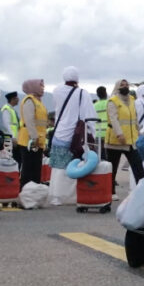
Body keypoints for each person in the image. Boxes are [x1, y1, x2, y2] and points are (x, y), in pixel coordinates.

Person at [48, 66, 97, 206]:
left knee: (58, 166)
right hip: (74, 135)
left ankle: (55, 196)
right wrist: (91, 132)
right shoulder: (82, 93)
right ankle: (69, 196)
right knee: (72, 165)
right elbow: (88, 114)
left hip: (59, 132)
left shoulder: (56, 91)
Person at [106, 79, 144, 199]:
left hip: (131, 140)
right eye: (122, 85)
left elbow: (134, 118)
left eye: (126, 84)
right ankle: (110, 192)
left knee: (138, 166)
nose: (125, 86)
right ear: (117, 87)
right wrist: (119, 134)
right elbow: (113, 119)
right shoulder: (113, 101)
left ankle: (141, 190)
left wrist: (140, 131)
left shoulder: (132, 100)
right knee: (113, 167)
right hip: (116, 141)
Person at [17, 79, 47, 189]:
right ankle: (25, 193)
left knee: (36, 169)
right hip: (29, 141)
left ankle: (34, 194)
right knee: (28, 169)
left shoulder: (38, 101)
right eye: (40, 86)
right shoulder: (29, 100)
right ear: (32, 87)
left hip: (38, 141)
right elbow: (29, 121)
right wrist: (34, 137)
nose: (43, 88)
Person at [1, 91, 21, 164]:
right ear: (12, 99)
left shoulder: (12, 109)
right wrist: (13, 137)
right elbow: (7, 124)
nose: (18, 100)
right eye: (16, 98)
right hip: (9, 139)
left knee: (16, 159)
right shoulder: (6, 109)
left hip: (14, 139)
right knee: (9, 159)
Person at [94, 86, 109, 160]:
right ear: (106, 93)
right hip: (108, 132)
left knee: (99, 156)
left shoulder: (94, 105)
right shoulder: (109, 103)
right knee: (108, 156)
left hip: (97, 133)